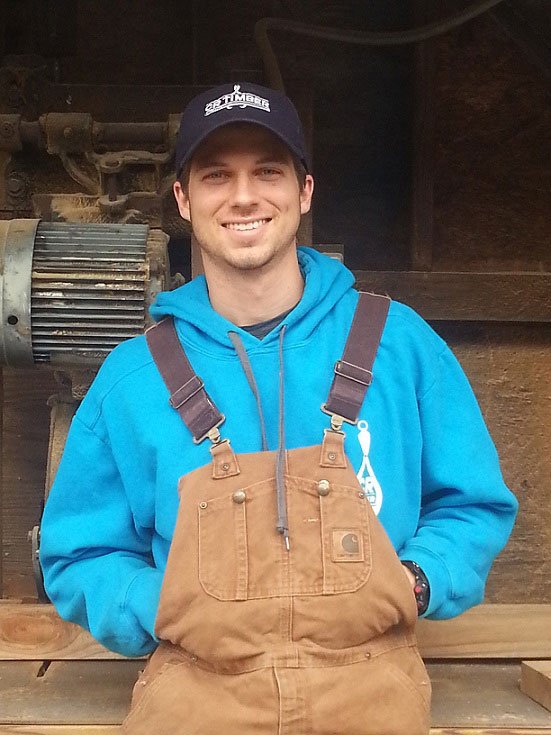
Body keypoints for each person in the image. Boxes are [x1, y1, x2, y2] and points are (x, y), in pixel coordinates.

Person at [40, 82, 518, 735]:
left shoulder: (398, 344)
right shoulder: (133, 377)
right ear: (182, 199)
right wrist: (160, 603)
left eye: (267, 171)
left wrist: (417, 578)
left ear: (305, 191)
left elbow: (472, 506)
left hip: (374, 695)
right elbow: (78, 554)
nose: (243, 196)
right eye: (216, 175)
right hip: (194, 697)